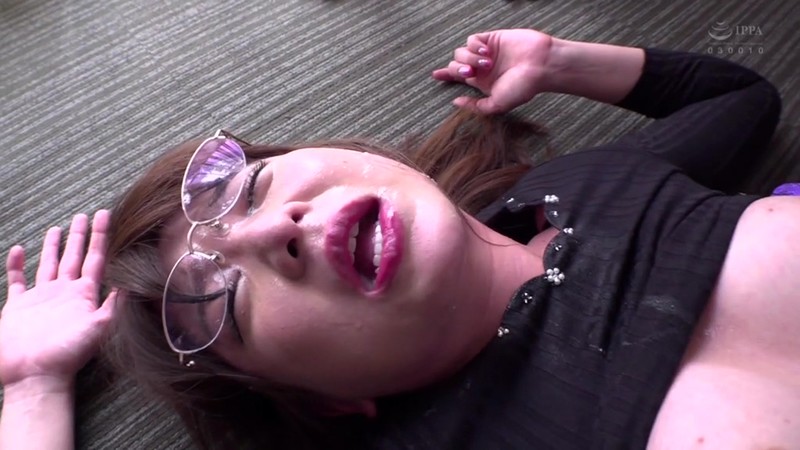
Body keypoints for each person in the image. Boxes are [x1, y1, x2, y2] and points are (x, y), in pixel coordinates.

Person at [1, 27, 796, 450]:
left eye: (254, 186)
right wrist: (33, 387)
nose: (274, 229)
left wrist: (558, 60)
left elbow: (744, 102)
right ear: (328, 400)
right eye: (226, 297)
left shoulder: (585, 182)